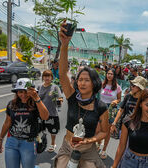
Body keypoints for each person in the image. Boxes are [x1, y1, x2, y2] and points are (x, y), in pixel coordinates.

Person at [54, 20, 109, 168]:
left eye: (87, 80)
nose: (82, 83)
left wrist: (89, 141)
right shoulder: (72, 97)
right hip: (67, 148)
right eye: (80, 80)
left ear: (94, 83)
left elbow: (104, 132)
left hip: (88, 151)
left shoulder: (101, 107)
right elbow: (62, 74)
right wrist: (64, 45)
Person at [0, 78, 49, 168]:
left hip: (29, 143)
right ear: (17, 92)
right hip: (12, 142)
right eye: (20, 92)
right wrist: (0, 139)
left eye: (26, 91)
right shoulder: (11, 104)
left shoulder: (36, 103)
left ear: (31, 91)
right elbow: (7, 123)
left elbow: (45, 117)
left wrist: (37, 98)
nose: (23, 95)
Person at [37, 70, 63, 153]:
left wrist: (59, 101)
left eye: (49, 76)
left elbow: (60, 97)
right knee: (38, 129)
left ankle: (53, 143)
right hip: (40, 113)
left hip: (52, 113)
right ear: (43, 77)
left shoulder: (55, 87)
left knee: (53, 130)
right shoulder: (39, 87)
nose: (47, 78)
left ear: (52, 77)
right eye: (45, 76)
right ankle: (40, 142)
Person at [99, 68, 122, 159]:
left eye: (111, 74)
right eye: (108, 73)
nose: (109, 75)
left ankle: (104, 150)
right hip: (101, 107)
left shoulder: (117, 87)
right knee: (99, 128)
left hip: (111, 109)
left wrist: (115, 101)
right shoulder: (102, 84)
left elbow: (119, 99)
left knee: (107, 131)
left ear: (114, 76)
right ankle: (98, 143)